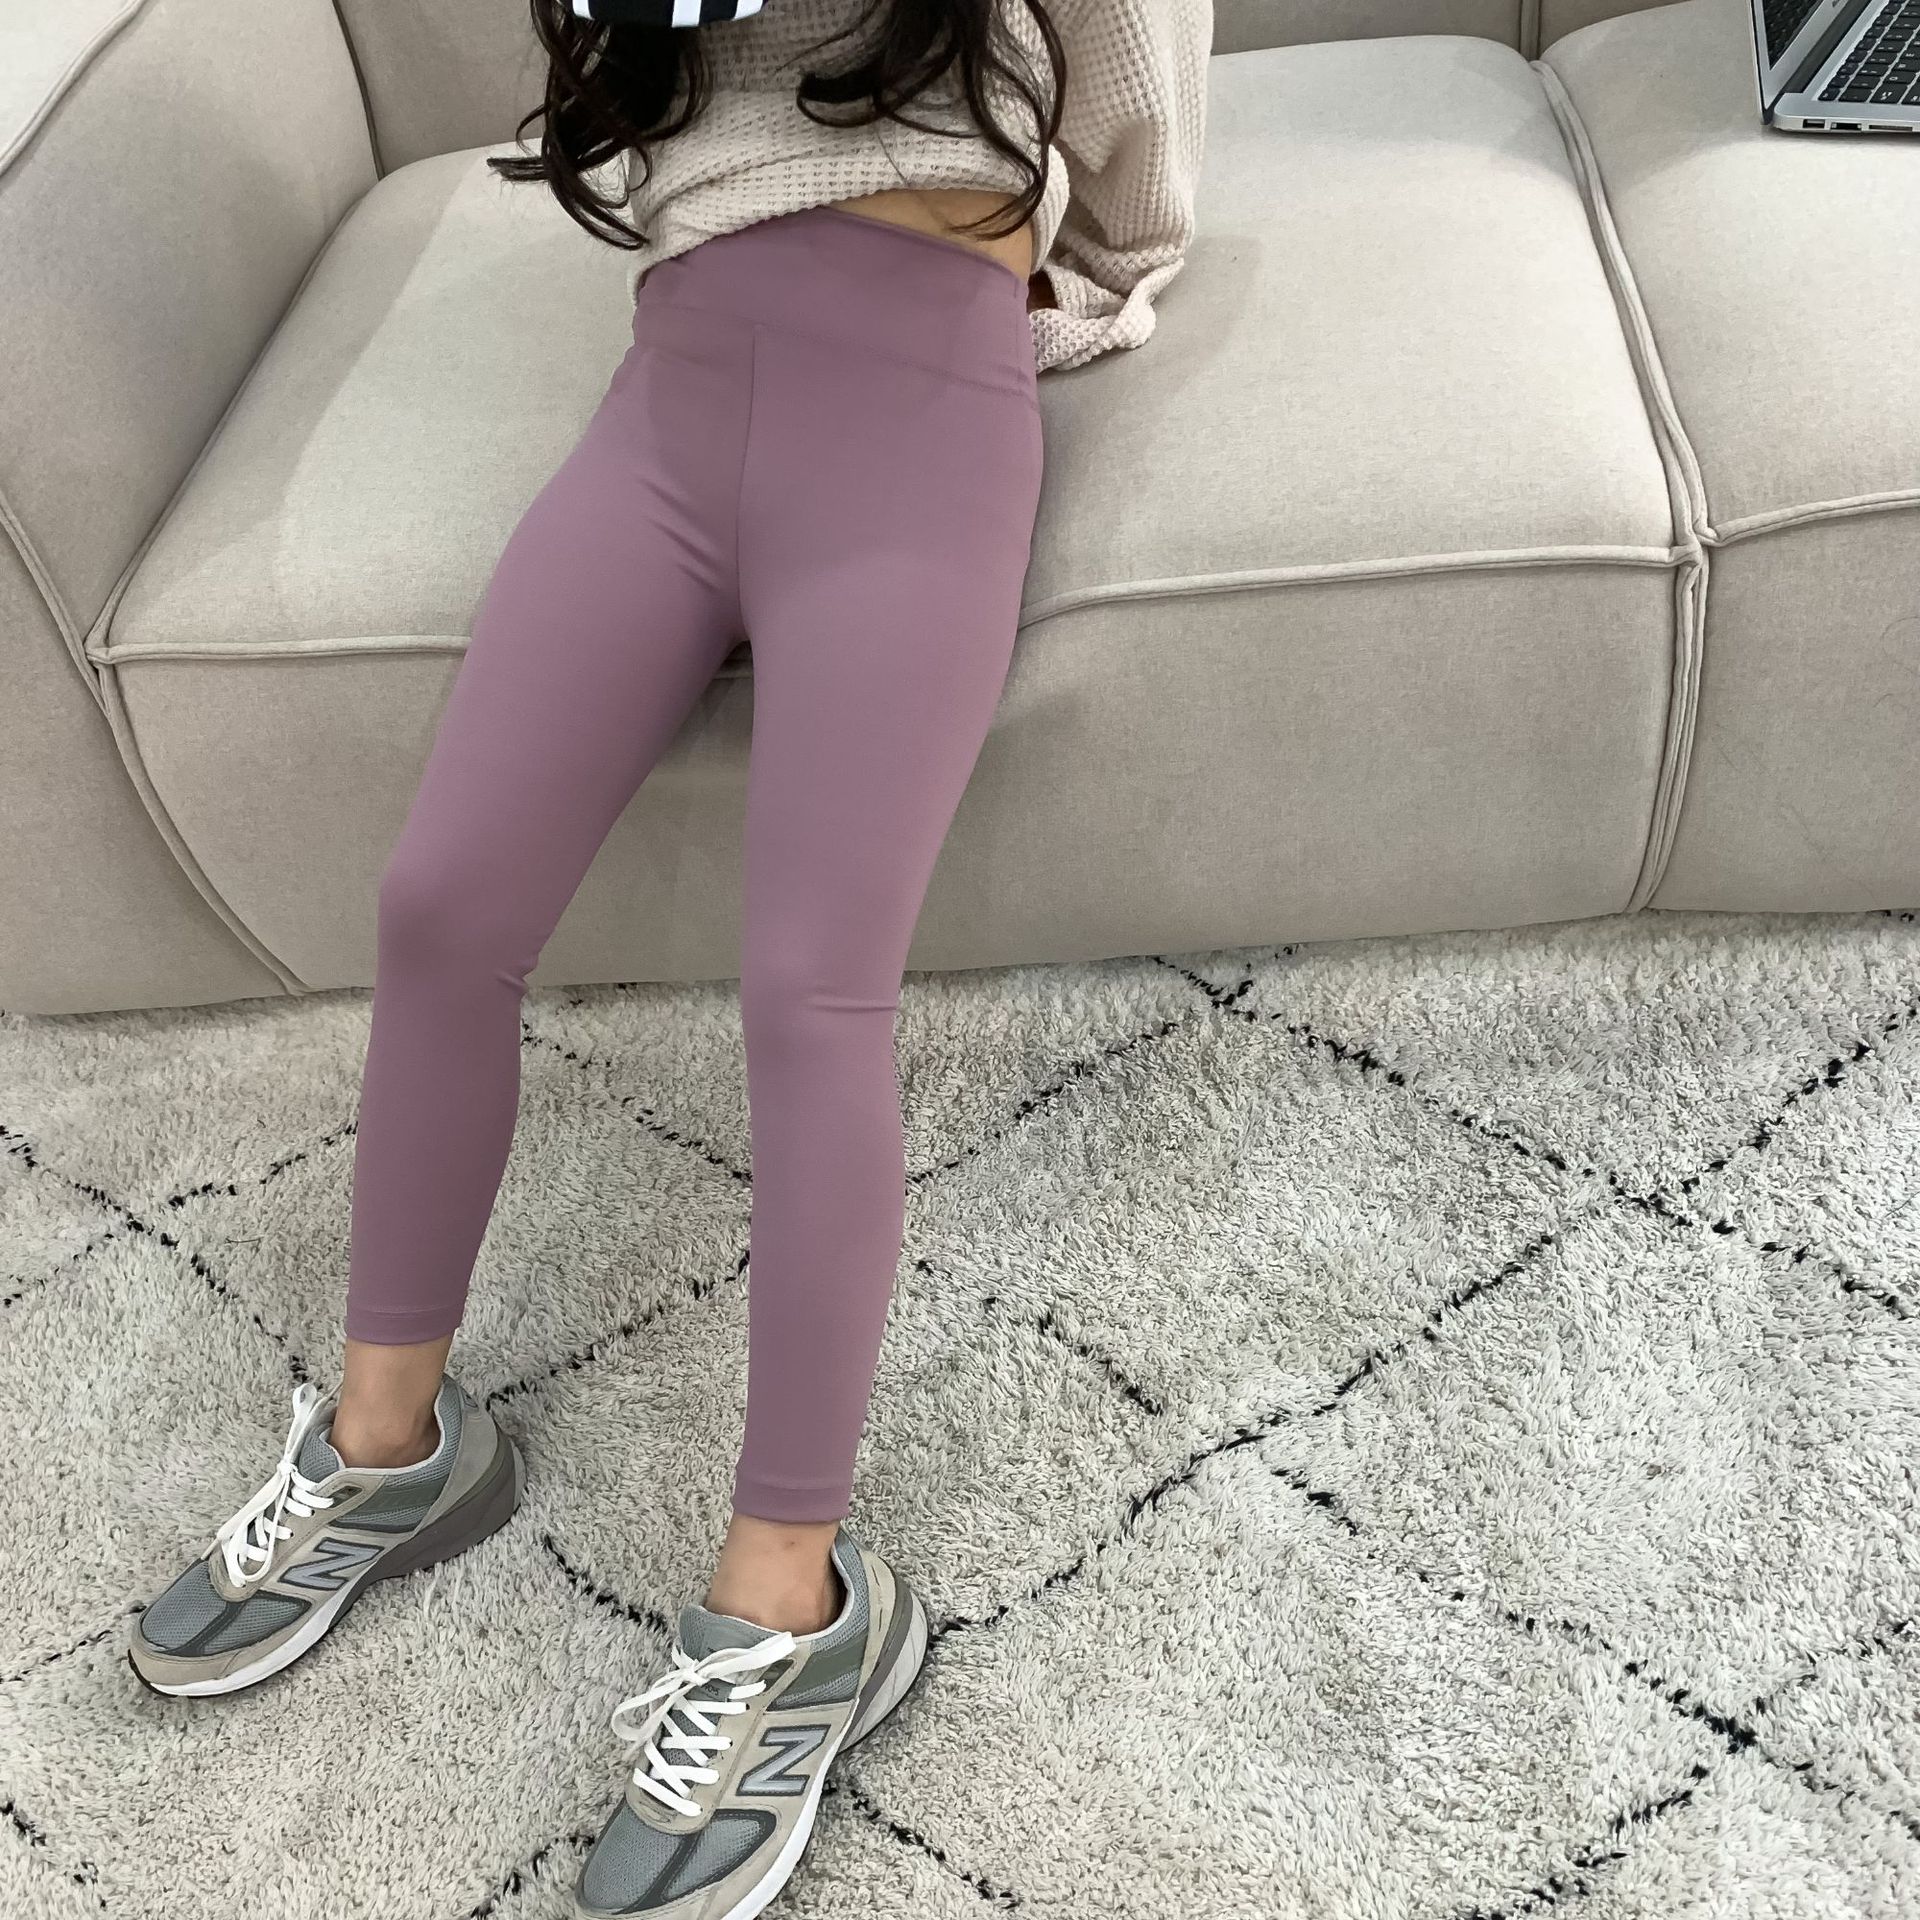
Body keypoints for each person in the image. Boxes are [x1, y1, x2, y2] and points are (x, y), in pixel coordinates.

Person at [129, 1, 1209, 1912]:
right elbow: (636, 109)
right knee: (440, 905)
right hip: (682, 385)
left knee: (811, 985)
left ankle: (792, 1608)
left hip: (924, 387)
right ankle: (390, 1447)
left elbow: (1129, 95)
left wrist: (1087, 281)